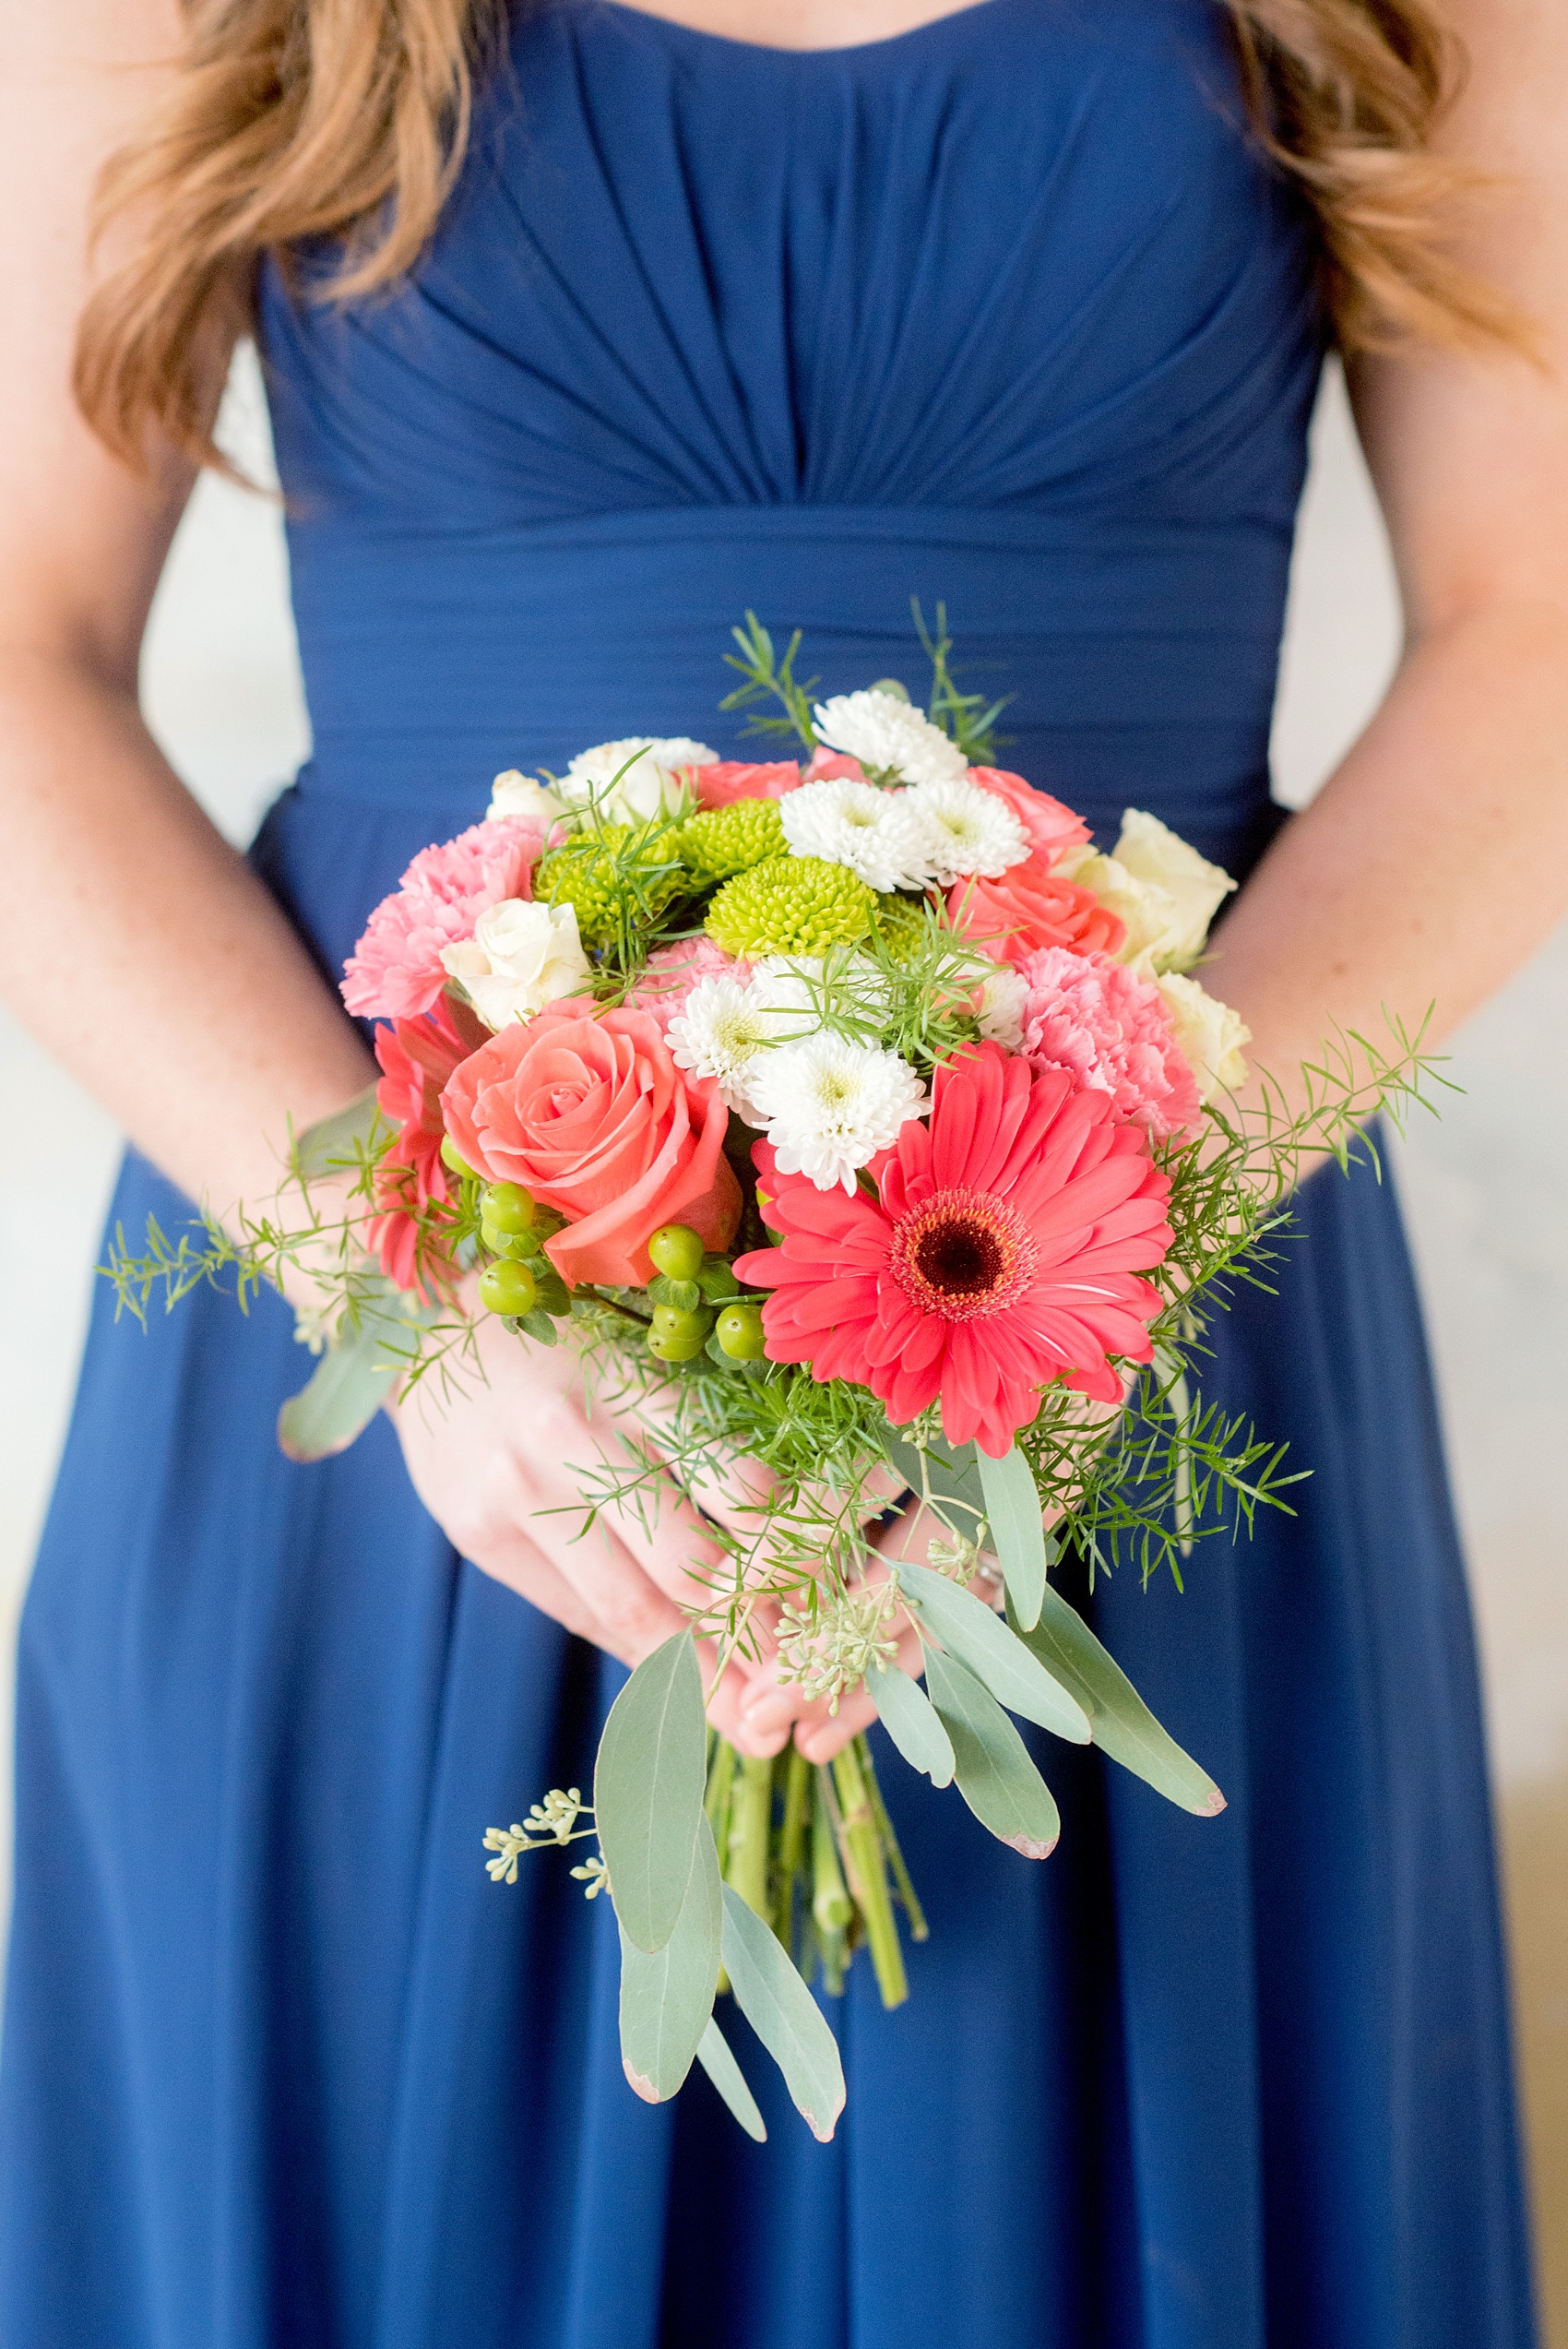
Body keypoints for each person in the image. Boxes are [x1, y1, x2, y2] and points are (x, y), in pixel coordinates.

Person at [1, 0, 1563, 2340]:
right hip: (401, 1334)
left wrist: (1093, 1242)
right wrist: (416, 1304)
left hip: (1140, 1332)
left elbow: (1531, 628)